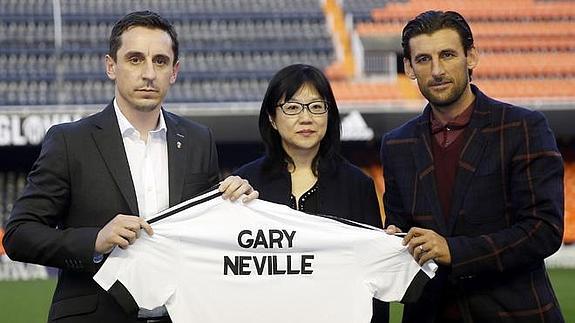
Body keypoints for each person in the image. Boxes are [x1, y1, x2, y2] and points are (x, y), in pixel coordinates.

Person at [2, 11, 257, 323]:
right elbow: (19, 235)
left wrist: (235, 206)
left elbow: (203, 232)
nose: (149, 72)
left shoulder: (197, 140)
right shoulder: (70, 141)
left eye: (160, 61)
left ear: (174, 71)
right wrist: (95, 240)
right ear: (111, 66)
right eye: (135, 59)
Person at [380, 10, 565, 323]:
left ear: (471, 57)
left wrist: (454, 251)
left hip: (514, 313)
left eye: (447, 55)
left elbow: (543, 230)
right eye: (423, 59)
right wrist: (395, 238)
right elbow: (401, 224)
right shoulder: (395, 144)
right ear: (409, 67)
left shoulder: (523, 126)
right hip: (428, 314)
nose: (437, 70)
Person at [235, 64, 389, 323]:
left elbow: (374, 276)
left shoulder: (357, 185)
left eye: (317, 107)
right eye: (292, 108)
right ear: (272, 118)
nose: (306, 118)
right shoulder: (246, 184)